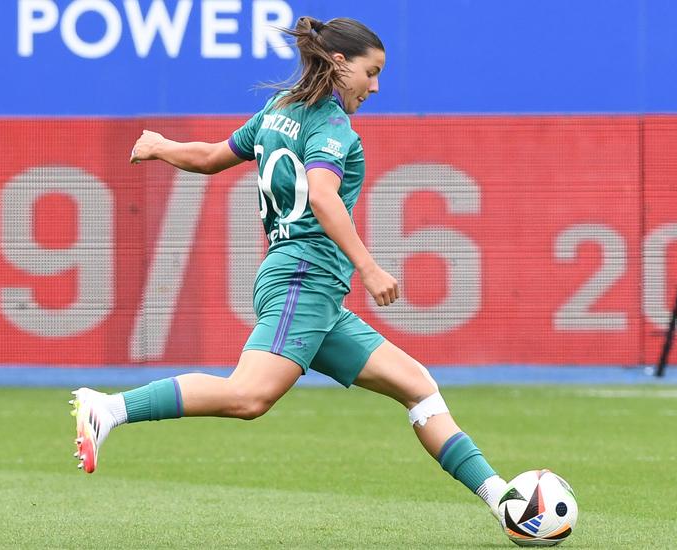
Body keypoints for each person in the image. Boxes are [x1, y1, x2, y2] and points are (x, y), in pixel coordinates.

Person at [71, 15, 507, 528]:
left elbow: (213, 157)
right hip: (305, 278)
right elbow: (323, 194)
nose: (376, 85)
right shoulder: (331, 124)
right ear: (340, 63)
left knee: (417, 386)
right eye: (372, 71)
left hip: (306, 286)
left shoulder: (279, 109)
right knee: (248, 396)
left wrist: (160, 146)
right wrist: (368, 268)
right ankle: (110, 409)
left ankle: (504, 501)